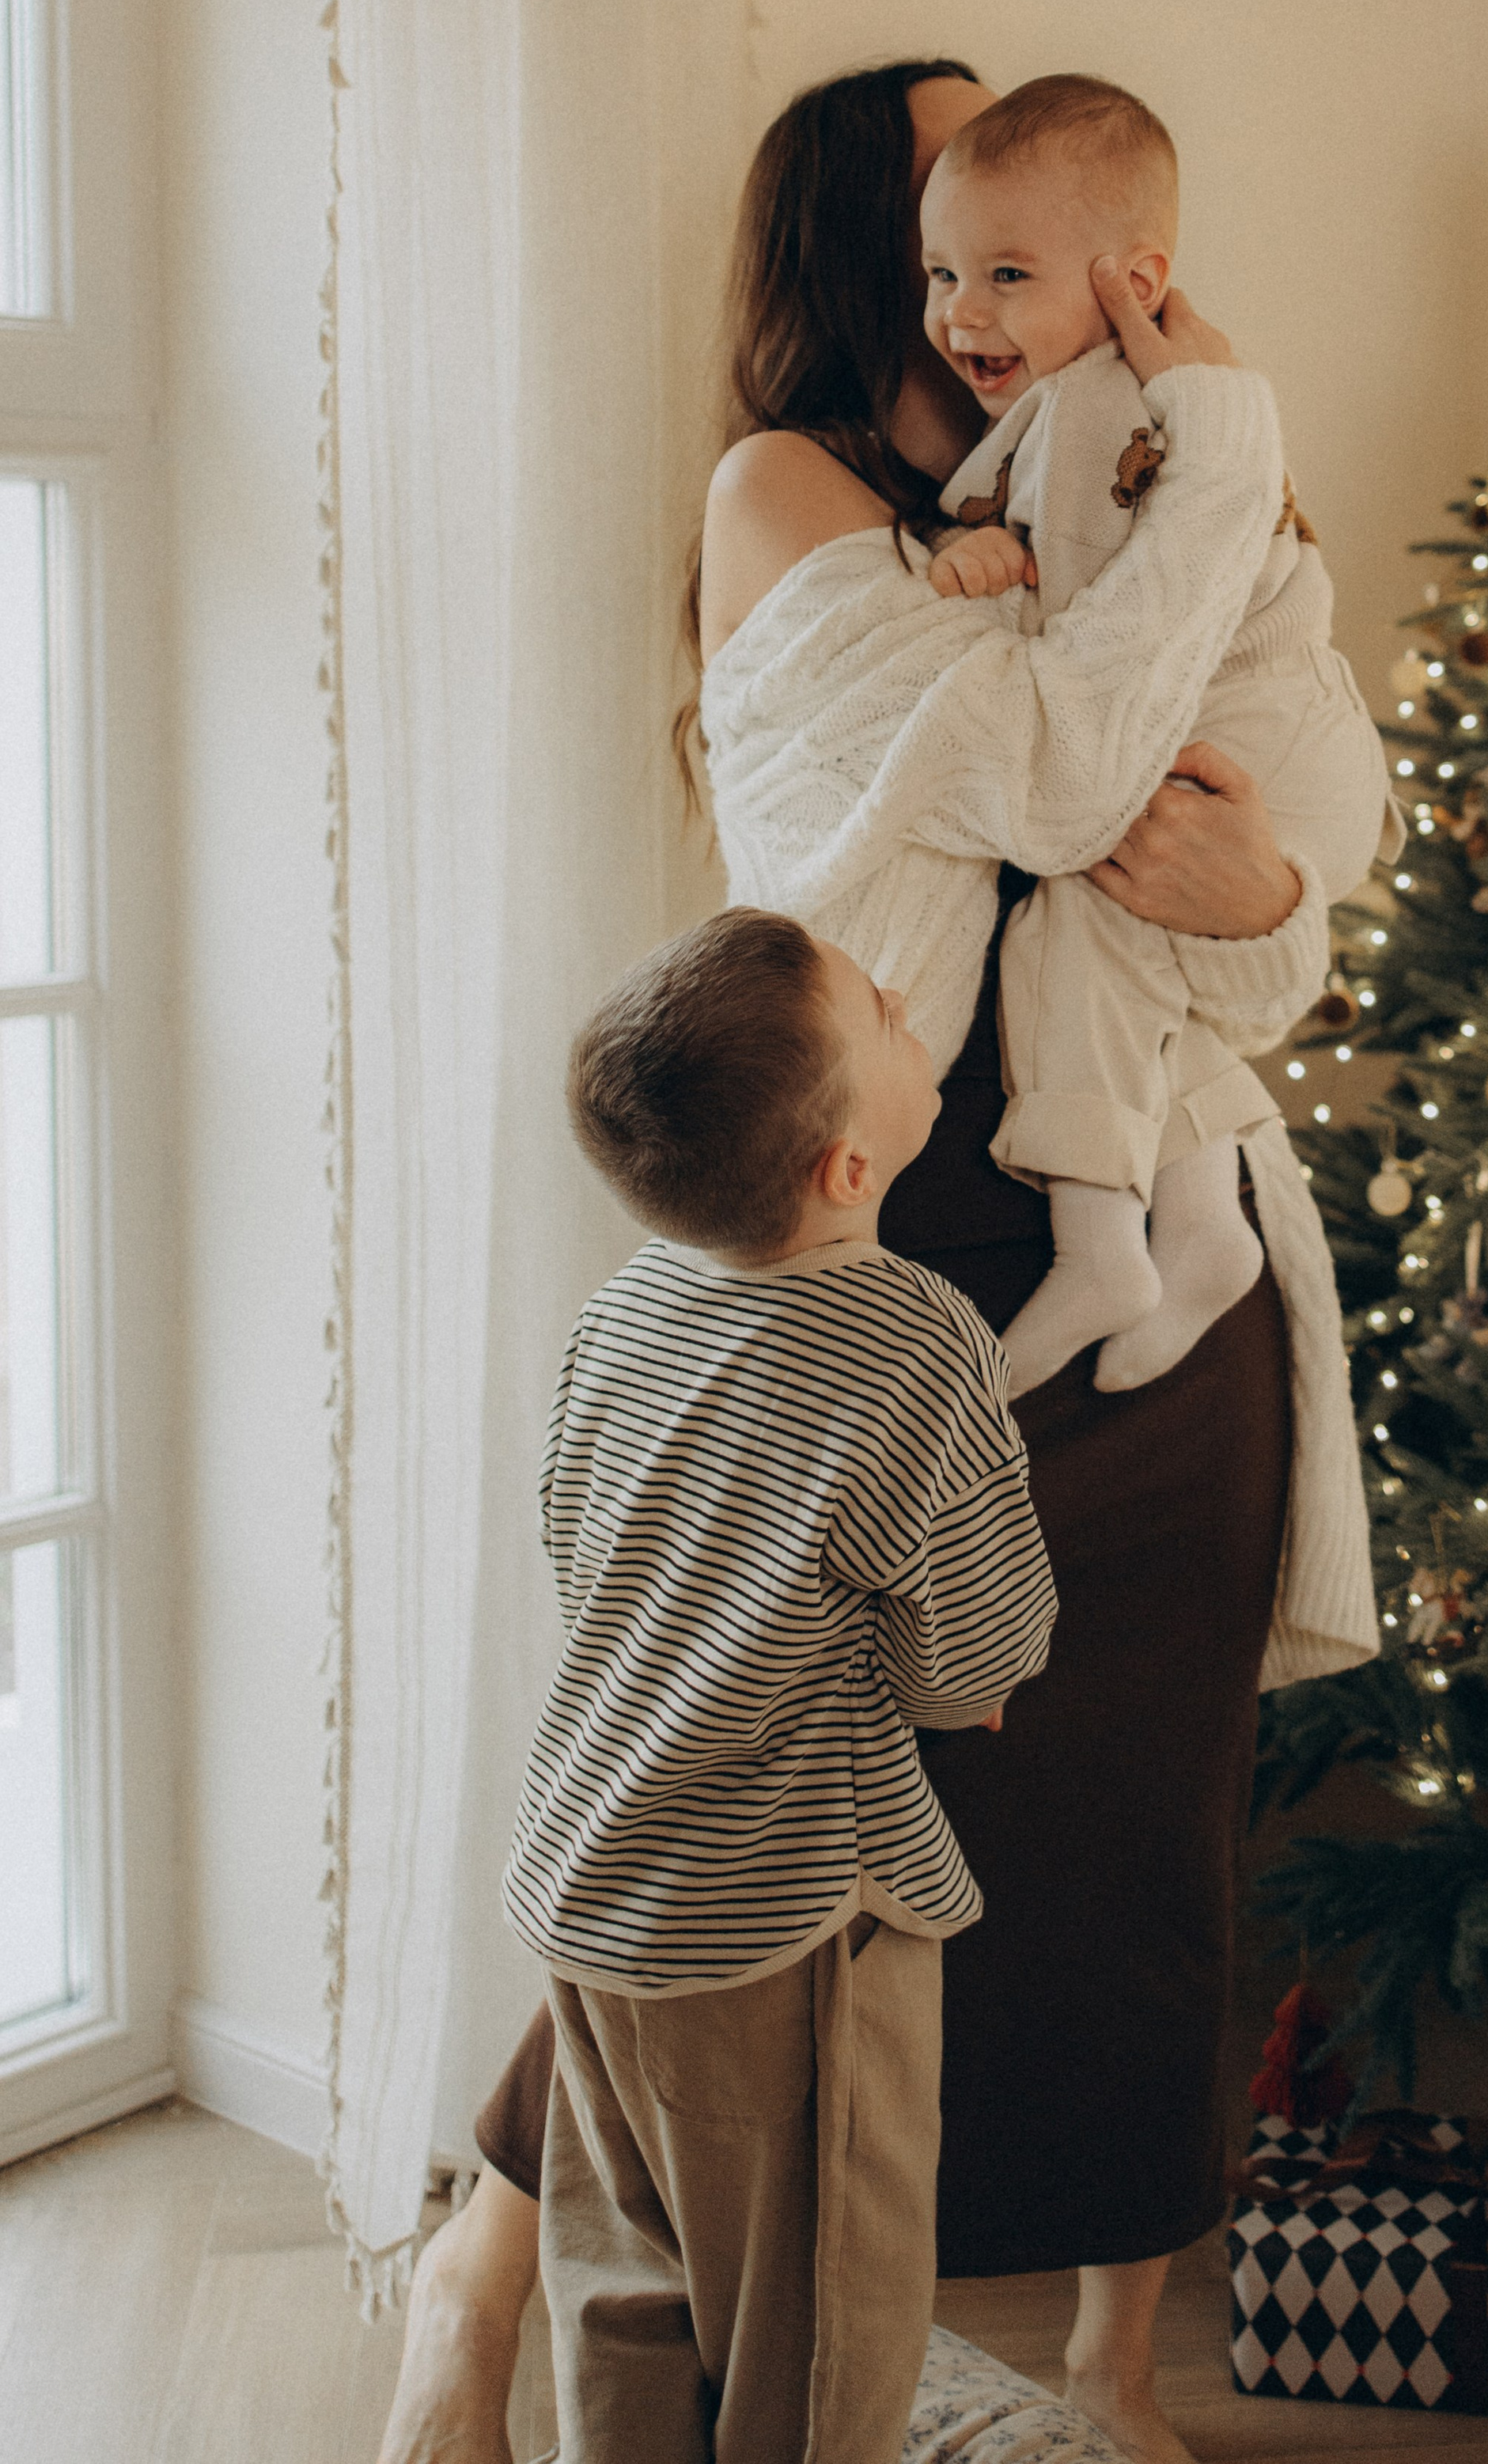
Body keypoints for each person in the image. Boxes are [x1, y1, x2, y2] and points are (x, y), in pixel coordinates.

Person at [374, 57, 1381, 2464]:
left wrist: (1278, 902)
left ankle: (1115, 2375)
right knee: (742, 1800)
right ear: (872, 246)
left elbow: (1273, 857)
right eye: (943, 212)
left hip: (1171, 1269)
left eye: (1016, 216)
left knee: (1139, 1828)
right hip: (873, 1232)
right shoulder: (794, 498)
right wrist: (1208, 462)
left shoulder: (1113, 465)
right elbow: (1052, 776)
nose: (994, 255)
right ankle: (484, 2268)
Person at [505, 906, 1054, 2464]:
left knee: (626, 2280)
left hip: (587, 1882)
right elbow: (974, 1644)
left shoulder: (626, 1308)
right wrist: (955, 1682)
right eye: (878, 1007)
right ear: (847, 1171)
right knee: (817, 2331)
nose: (905, 995)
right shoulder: (910, 1342)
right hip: (780, 1920)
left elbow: (578, 1546)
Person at [917, 74, 1388, 1398]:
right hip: (1300, 743)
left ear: (1135, 280)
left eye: (1007, 272)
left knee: (1071, 925)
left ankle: (1099, 1239)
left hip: (1255, 741)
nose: (962, 311)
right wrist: (989, 539)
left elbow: (1105, 649)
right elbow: (1090, 556)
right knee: (1143, 978)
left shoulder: (1124, 402)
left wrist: (984, 571)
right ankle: (1200, 1230)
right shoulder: (1111, 402)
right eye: (941, 270)